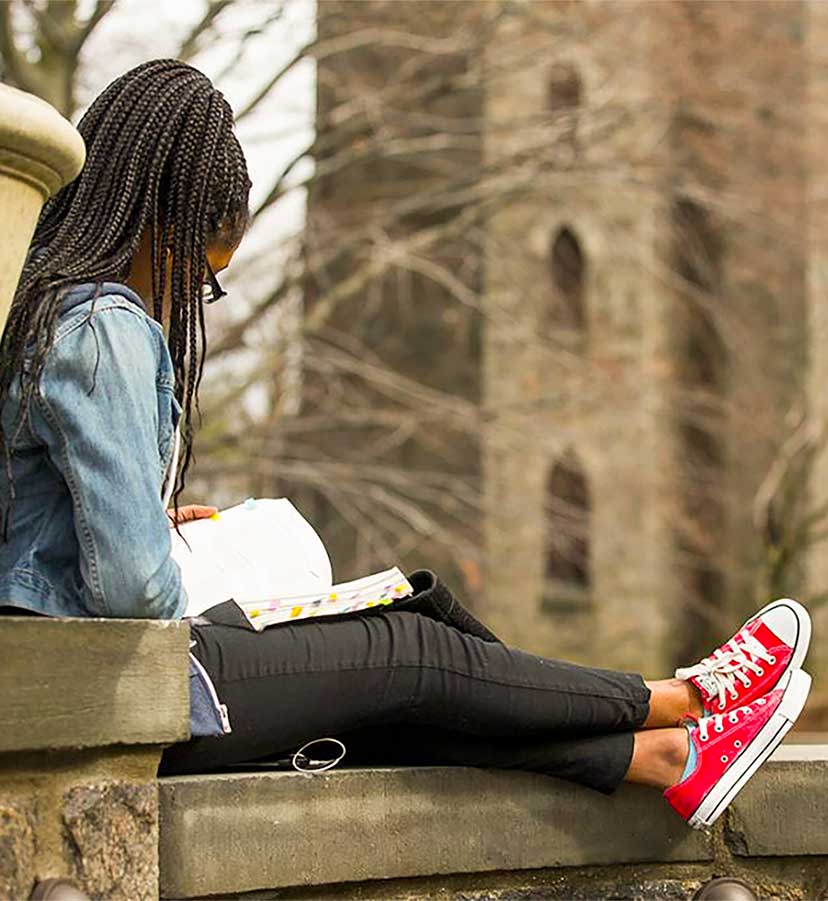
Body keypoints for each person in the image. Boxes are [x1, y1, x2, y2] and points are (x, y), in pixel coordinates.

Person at [0, 59, 813, 832]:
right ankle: (682, 700)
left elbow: (43, 534)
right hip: (132, 686)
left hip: (100, 678)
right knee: (410, 647)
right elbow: (133, 595)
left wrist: (152, 515)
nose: (196, 294)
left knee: (414, 655)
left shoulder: (47, 313)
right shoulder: (104, 325)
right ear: (159, 217)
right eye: (203, 268)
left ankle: (666, 758)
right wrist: (176, 558)